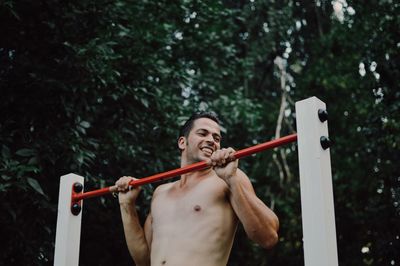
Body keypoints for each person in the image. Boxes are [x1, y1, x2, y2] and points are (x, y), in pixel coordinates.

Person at [115, 112, 279, 266]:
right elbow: (143, 261)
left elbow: (268, 237)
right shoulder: (161, 192)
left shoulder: (226, 179)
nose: (211, 140)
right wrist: (126, 205)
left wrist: (232, 180)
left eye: (216, 138)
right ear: (182, 142)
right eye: (203, 133)